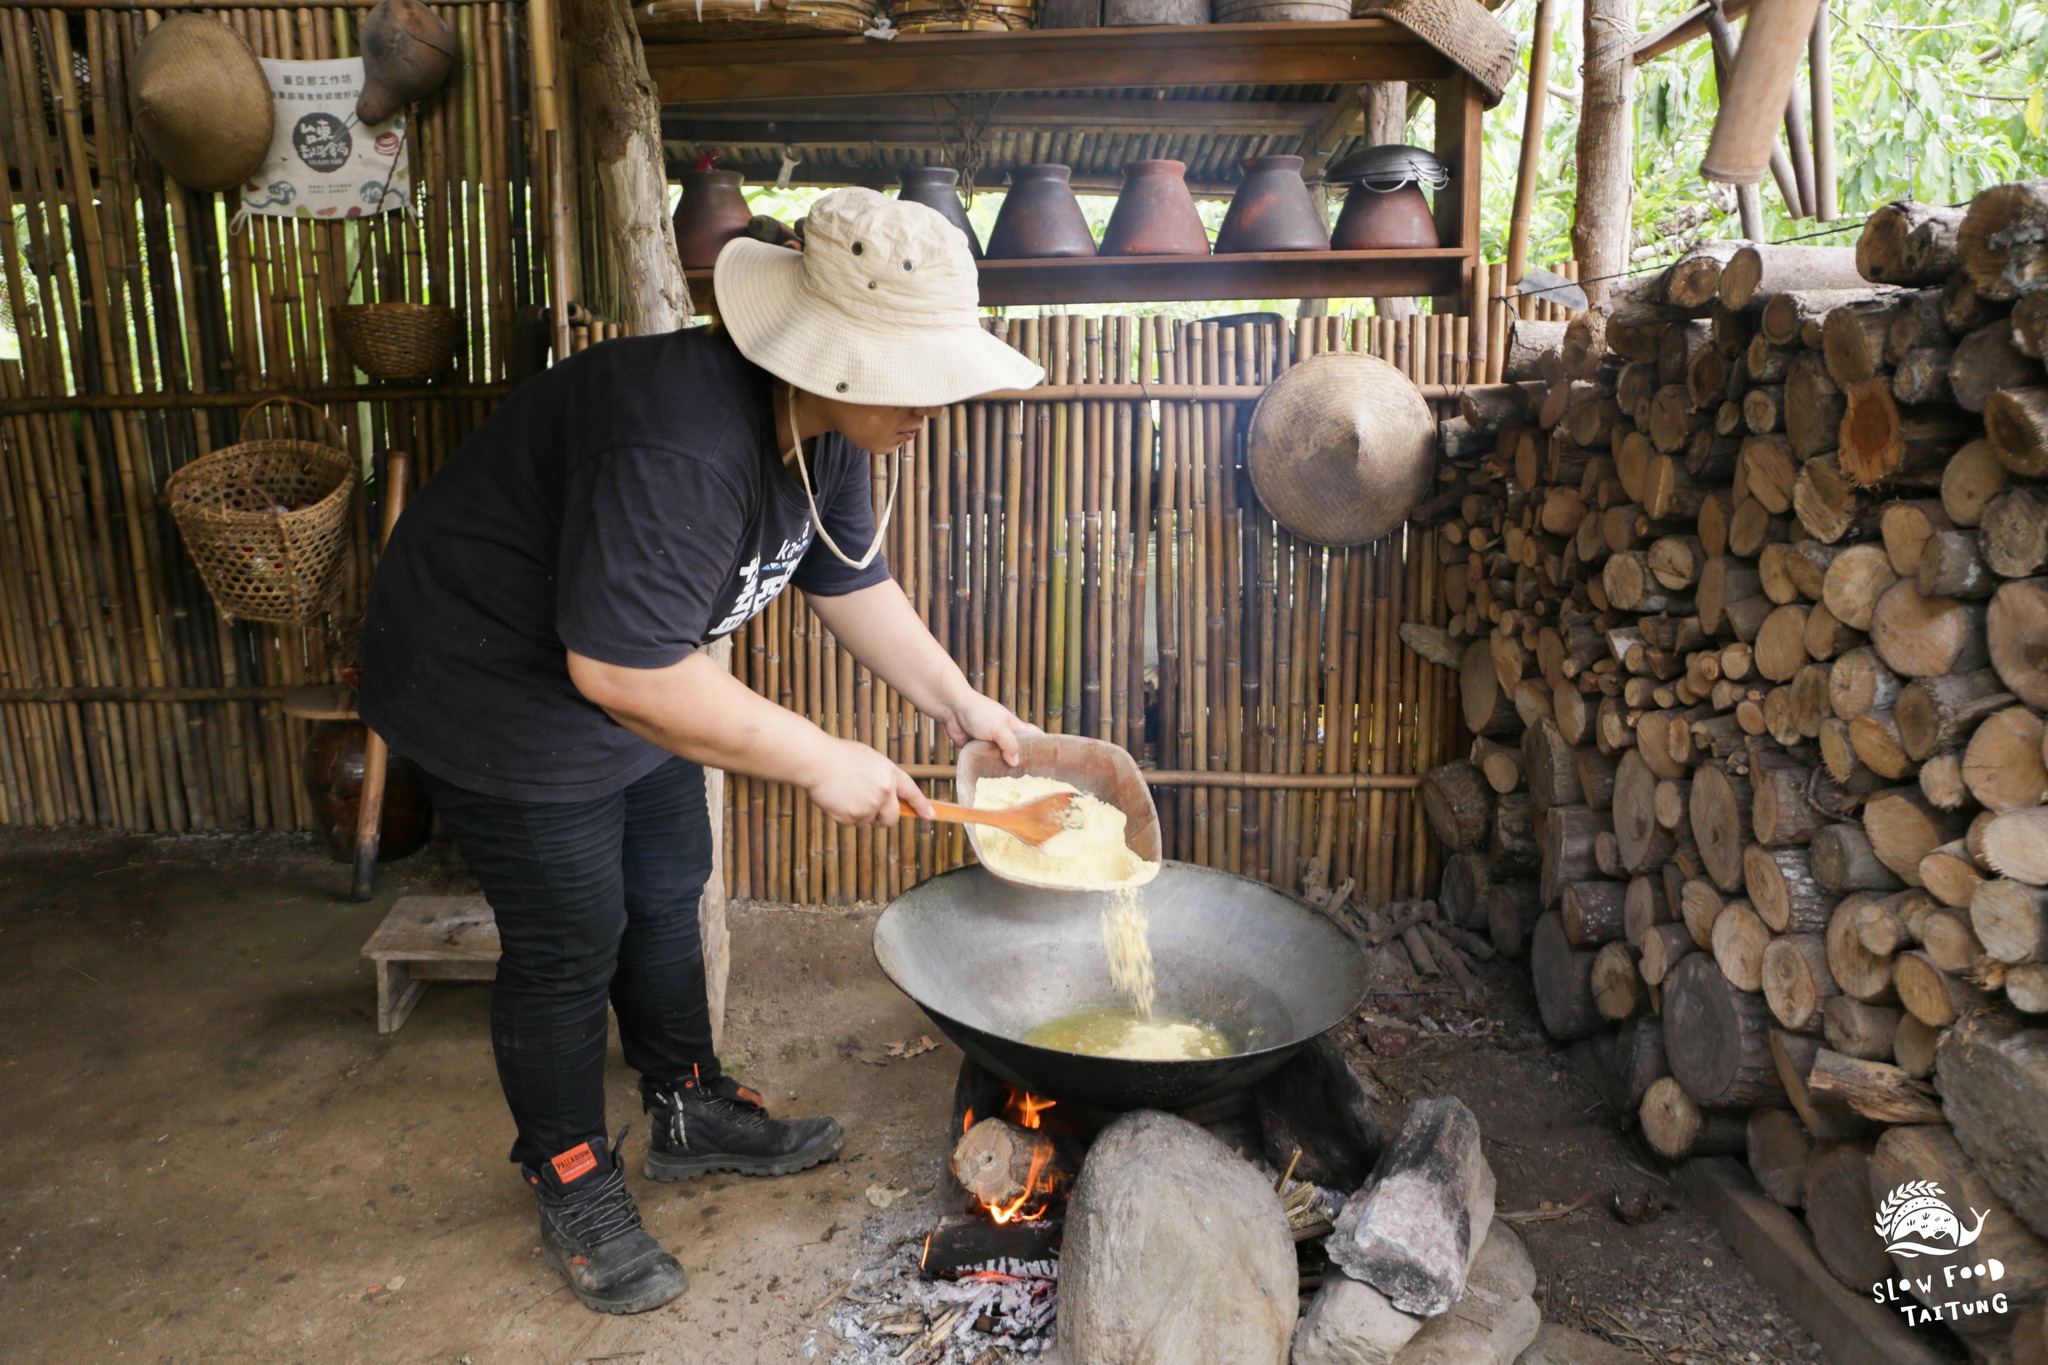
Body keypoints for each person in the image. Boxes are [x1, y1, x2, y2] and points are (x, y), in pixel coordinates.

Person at [356, 187, 1044, 1315]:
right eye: (913, 372)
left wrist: (959, 703)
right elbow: (622, 677)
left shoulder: (837, 422)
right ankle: (568, 1169)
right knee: (570, 931)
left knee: (666, 879)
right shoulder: (675, 437)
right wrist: (821, 756)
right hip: (491, 671)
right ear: (826, 355)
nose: (939, 401)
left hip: (629, 654)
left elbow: (847, 577)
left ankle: (687, 1104)